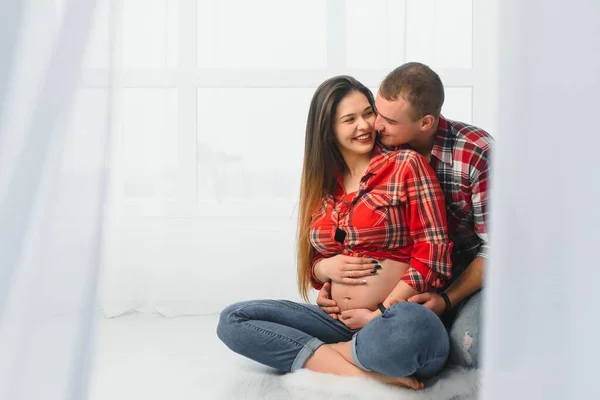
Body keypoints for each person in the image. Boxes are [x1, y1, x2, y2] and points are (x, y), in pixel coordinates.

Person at [217, 75, 453, 390]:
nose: (365, 125)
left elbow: (433, 251)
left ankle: (323, 356)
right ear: (328, 131)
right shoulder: (325, 184)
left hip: (392, 322)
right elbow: (318, 259)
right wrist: (323, 268)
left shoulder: (405, 165)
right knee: (233, 320)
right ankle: (359, 370)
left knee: (413, 330)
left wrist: (381, 312)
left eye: (368, 113)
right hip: (337, 322)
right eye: (350, 119)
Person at [318, 62, 492, 368]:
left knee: (468, 347)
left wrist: (445, 300)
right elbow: (354, 235)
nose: (375, 126)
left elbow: (497, 249)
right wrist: (327, 276)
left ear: (425, 122)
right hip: (415, 289)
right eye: (376, 111)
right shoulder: (381, 151)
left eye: (387, 120)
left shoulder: (476, 154)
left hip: (469, 278)